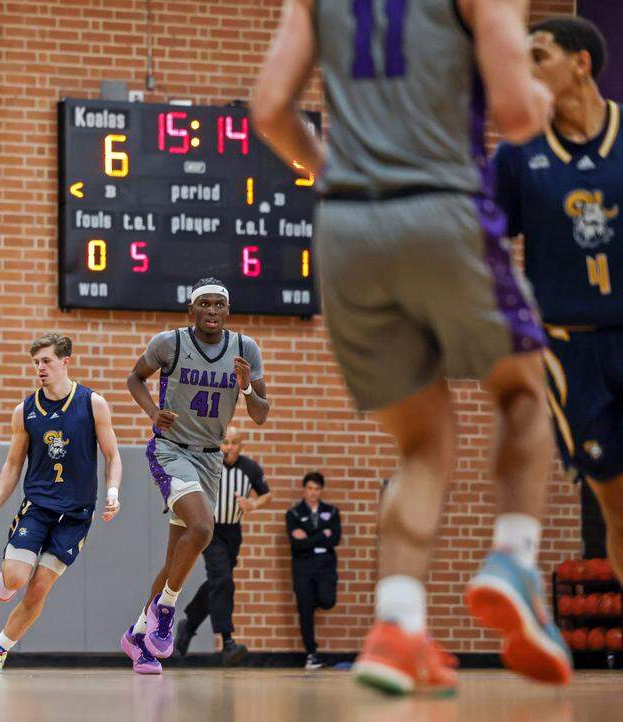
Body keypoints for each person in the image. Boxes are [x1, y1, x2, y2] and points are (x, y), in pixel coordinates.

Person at [253, 0, 570, 694]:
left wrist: (329, 166)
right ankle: (514, 559)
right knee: (522, 391)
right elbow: (516, 114)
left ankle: (397, 625)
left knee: (422, 443)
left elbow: (271, 107)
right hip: (442, 205)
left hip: (345, 229)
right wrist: (545, 94)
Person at [494, 16, 623, 585]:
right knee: (616, 504)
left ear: (581, 63)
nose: (525, 70)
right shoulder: (518, 155)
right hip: (572, 353)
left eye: (538, 56)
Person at [123, 277, 270, 674]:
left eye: (218, 304)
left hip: (210, 459)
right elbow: (134, 378)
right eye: (203, 304)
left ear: (228, 310)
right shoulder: (169, 343)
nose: (211, 311)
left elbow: (260, 414)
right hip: (170, 451)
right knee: (204, 528)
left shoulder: (245, 349)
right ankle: (166, 610)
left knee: (175, 556)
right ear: (192, 310)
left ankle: (139, 636)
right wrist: (154, 413)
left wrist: (247, 389)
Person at [0, 333, 123, 673]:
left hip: (76, 513)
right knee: (15, 579)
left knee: (39, 587)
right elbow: (13, 464)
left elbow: (112, 456)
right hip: (38, 506)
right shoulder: (24, 411)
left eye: (46, 361)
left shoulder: (92, 403)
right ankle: (9, 579)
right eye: (36, 362)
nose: (40, 368)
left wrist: (113, 492)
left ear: (65, 361)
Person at [174, 437, 270, 665]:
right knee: (223, 579)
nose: (228, 447)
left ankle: (189, 624)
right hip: (211, 529)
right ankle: (228, 642)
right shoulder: (208, 463)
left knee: (218, 581)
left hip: (233, 532)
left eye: (234, 443)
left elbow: (267, 494)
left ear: (241, 447)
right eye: (225, 442)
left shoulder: (250, 468)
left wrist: (253, 504)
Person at [286, 472, 340, 670]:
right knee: (305, 610)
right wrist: (321, 535)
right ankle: (312, 653)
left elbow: (335, 540)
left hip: (325, 565)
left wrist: (308, 536)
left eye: (317, 488)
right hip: (303, 566)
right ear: (304, 489)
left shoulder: (332, 512)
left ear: (321, 490)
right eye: (309, 488)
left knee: (327, 600)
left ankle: (316, 596)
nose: (313, 492)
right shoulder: (293, 514)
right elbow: (296, 545)